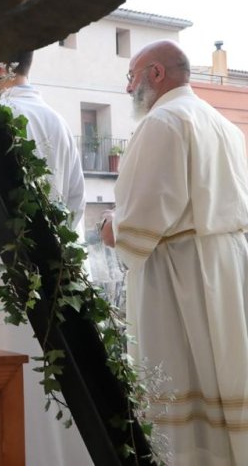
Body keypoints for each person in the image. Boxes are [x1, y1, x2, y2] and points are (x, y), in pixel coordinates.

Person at [100, 40, 248, 465]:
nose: (129, 88)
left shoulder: (163, 121)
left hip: (180, 275)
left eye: (131, 76)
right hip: (227, 266)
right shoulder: (222, 124)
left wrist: (111, 226)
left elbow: (144, 216)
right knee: (225, 375)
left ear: (157, 74)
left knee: (181, 376)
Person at [0, 51, 90, 466]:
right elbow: (76, 201)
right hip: (52, 264)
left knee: (5, 369)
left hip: (0, 264)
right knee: (48, 372)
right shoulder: (57, 121)